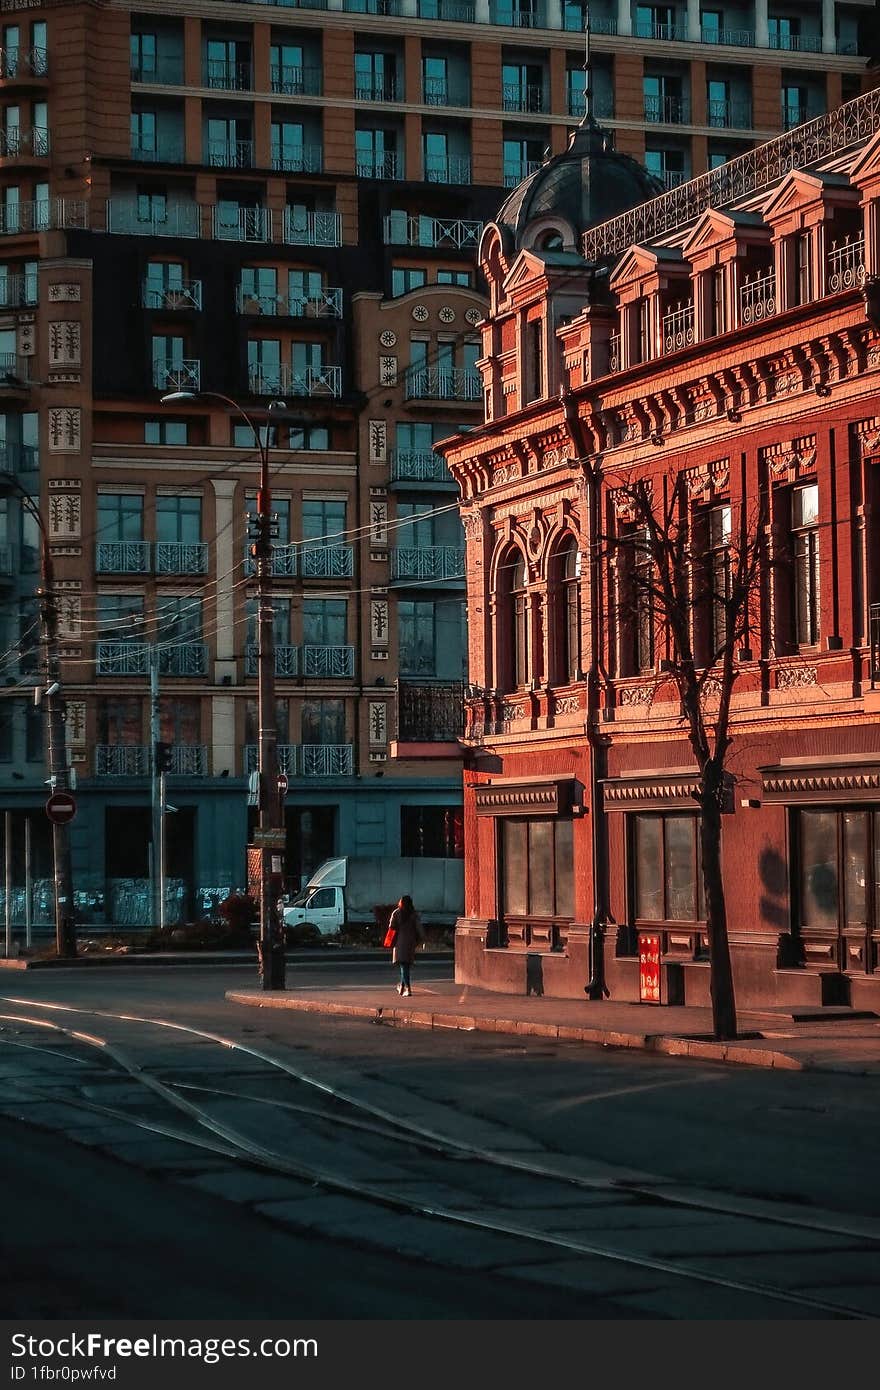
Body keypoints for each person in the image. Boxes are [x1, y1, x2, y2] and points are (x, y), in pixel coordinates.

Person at [388, 894, 425, 997]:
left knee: (403, 965)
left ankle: (408, 988)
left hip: (399, 942)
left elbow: (391, 927)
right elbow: (419, 929)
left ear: (401, 903)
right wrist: (420, 940)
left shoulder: (396, 913)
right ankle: (402, 987)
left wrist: (389, 941)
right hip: (410, 943)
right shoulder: (414, 915)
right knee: (405, 965)